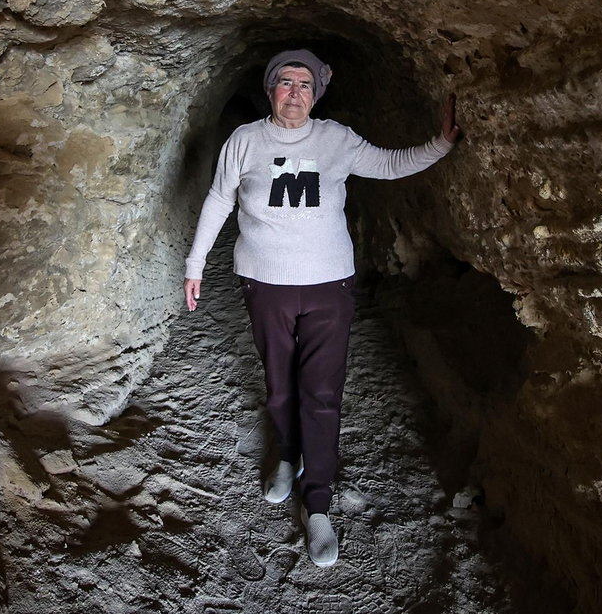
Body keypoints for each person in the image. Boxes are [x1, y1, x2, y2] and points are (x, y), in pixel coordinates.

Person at [183, 49, 459, 568]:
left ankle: (318, 504)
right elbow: (219, 199)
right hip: (266, 282)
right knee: (281, 383)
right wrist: (195, 264)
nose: (294, 92)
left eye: (304, 84)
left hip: (329, 285)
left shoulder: (338, 140)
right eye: (285, 82)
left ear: (316, 93)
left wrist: (441, 143)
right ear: (270, 90)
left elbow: (392, 164)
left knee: (322, 393)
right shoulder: (245, 141)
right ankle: (287, 458)